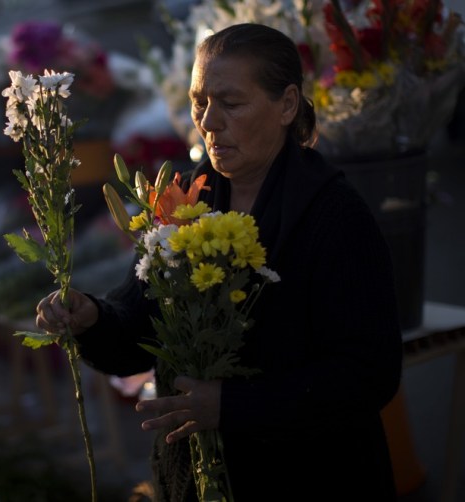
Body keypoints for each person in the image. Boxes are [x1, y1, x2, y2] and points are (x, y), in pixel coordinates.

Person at [35, 23, 402, 501]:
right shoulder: (181, 203)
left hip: (310, 479)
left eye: (230, 104)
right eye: (199, 101)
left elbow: (368, 374)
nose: (207, 122)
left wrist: (233, 406)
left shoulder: (333, 215)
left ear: (287, 105)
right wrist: (92, 318)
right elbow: (136, 333)